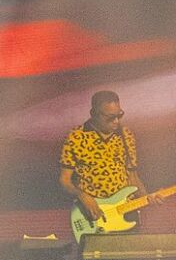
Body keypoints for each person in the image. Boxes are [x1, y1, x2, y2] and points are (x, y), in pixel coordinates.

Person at [59, 90, 163, 225]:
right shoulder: (76, 137)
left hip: (126, 215)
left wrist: (147, 197)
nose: (116, 121)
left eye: (119, 115)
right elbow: (64, 180)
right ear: (93, 114)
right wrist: (82, 196)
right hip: (93, 218)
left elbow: (133, 177)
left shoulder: (126, 135)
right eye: (110, 117)